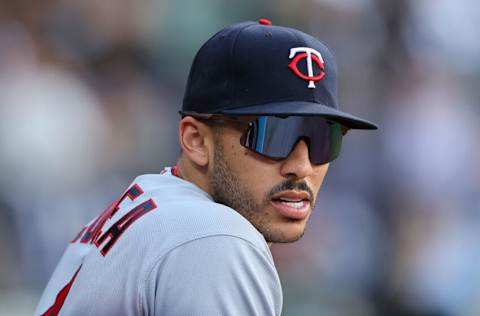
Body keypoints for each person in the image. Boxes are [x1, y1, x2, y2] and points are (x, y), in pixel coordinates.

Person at [34, 19, 377, 316]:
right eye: (275, 134)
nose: (302, 167)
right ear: (196, 140)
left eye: (323, 140)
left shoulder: (151, 205)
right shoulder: (213, 234)